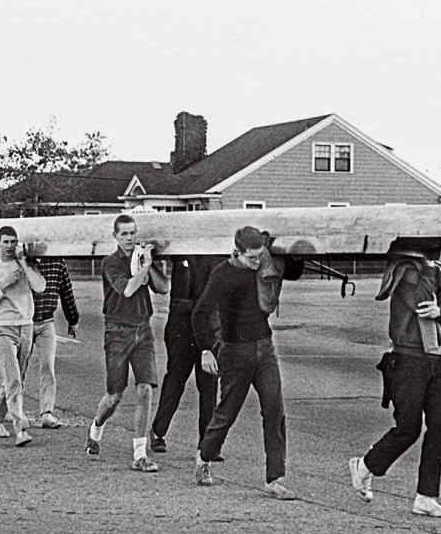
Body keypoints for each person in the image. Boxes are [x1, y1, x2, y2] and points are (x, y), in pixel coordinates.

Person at [347, 240, 441, 517]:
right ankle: (363, 466)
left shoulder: (440, 274)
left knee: (440, 429)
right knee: (408, 429)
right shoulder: (408, 271)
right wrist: (429, 264)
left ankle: (426, 497)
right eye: (440, 247)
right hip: (409, 360)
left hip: (438, 360)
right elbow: (422, 300)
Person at [191, 227, 295, 499]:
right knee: (227, 413)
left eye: (260, 255)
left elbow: (292, 271)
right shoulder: (222, 274)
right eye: (251, 258)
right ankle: (204, 456)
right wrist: (205, 350)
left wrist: (294, 252)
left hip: (265, 348)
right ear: (237, 252)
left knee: (274, 411)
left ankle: (275, 479)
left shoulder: (263, 264)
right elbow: (199, 314)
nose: (257, 262)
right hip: (235, 352)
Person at [88, 213, 169, 471]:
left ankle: (140, 454)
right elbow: (127, 289)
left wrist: (150, 265)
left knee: (145, 389)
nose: (129, 238)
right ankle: (96, 427)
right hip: (117, 331)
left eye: (133, 233)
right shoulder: (110, 263)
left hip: (142, 328)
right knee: (114, 396)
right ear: (115, 236)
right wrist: (144, 267)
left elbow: (163, 287)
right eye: (124, 233)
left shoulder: (142, 258)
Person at [149, 255, 225, 454]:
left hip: (210, 321)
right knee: (176, 377)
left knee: (208, 384)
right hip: (182, 321)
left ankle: (207, 442)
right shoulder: (182, 251)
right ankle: (158, 431)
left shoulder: (221, 252)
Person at [0, 226, 46, 447]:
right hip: (3, 326)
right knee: (13, 378)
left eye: (13, 241)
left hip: (25, 324)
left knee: (17, 377)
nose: (9, 246)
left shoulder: (25, 265)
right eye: (5, 241)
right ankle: (20, 429)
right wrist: (4, 285)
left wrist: (24, 264)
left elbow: (40, 287)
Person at [27, 255, 79, 428]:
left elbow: (66, 291)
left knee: (48, 368)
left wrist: (73, 319)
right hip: (24, 322)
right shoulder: (23, 260)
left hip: (46, 322)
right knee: (17, 369)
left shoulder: (57, 262)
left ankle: (47, 413)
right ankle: (7, 410)